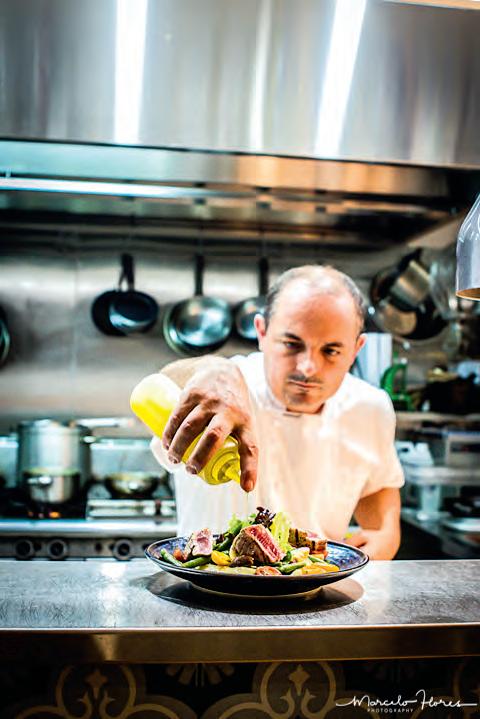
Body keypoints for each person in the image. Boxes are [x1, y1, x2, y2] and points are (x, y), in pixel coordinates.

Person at [150, 265, 404, 560]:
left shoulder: (370, 407)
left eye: (331, 351)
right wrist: (210, 367)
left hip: (317, 584)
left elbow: (379, 499)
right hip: (206, 581)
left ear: (356, 349)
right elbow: (157, 384)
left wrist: (383, 538)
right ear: (262, 332)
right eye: (291, 344)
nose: (308, 367)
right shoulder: (222, 391)